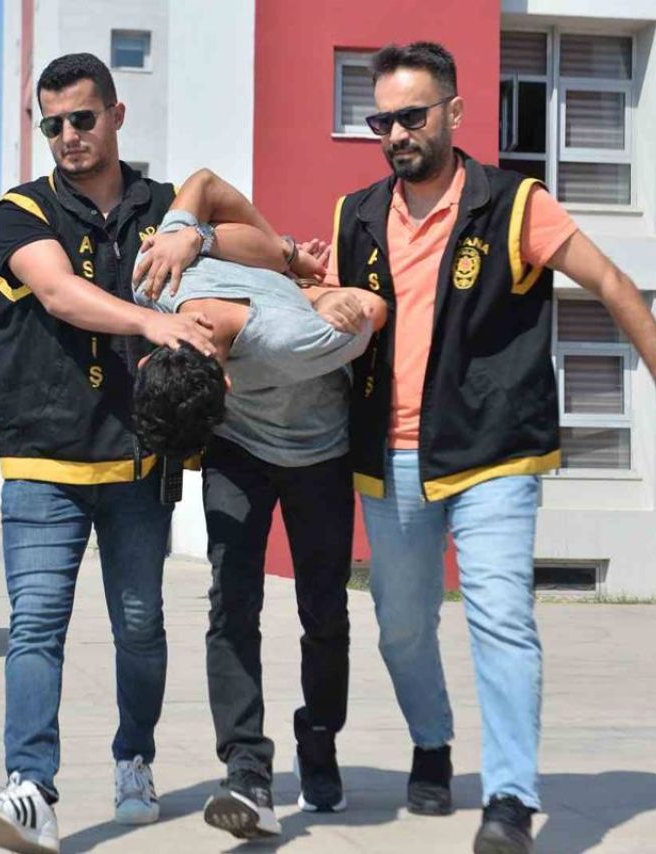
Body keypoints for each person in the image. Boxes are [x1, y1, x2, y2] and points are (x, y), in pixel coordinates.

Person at [315, 42, 656, 854]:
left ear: (455, 113)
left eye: (411, 116)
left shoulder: (515, 203)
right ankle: (431, 742)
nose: (396, 134)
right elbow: (331, 308)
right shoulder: (354, 214)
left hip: (492, 451)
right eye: (381, 121)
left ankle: (509, 798)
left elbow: (611, 282)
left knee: (500, 616)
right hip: (388, 457)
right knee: (400, 626)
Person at [0, 52, 217, 854]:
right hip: (45, 462)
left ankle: (134, 757)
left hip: (139, 461)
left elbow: (235, 230)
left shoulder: (162, 207)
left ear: (115, 115)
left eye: (81, 118)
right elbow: (58, 293)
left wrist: (201, 232)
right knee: (36, 625)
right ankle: (30, 789)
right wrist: (151, 321)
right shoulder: (19, 212)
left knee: (139, 625)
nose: (68, 135)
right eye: (53, 124)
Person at [130, 169, 387, 841]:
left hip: (318, 451)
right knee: (232, 603)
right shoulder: (155, 289)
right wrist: (283, 259)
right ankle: (246, 769)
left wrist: (324, 293)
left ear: (224, 379)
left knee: (323, 608)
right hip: (237, 449)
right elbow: (212, 195)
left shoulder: (291, 339)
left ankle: (320, 740)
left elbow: (375, 311)